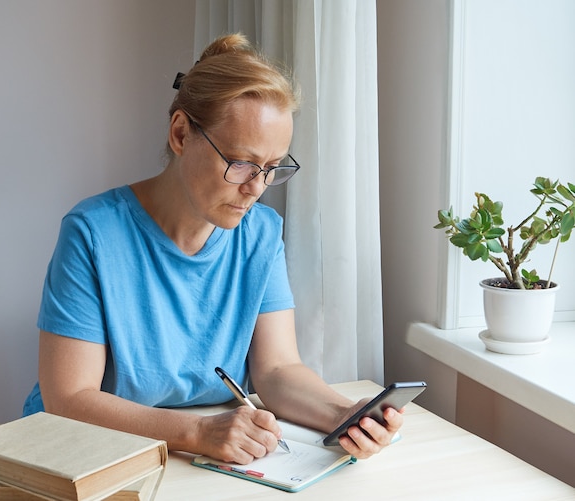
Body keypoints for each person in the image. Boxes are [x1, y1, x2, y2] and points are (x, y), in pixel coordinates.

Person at [23, 33, 403, 465]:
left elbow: (277, 371)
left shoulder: (261, 233)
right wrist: (197, 432)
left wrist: (344, 415)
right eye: (240, 162)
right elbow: (69, 399)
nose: (256, 188)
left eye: (273, 168)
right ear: (181, 134)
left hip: (196, 460)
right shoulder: (93, 233)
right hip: (92, 459)